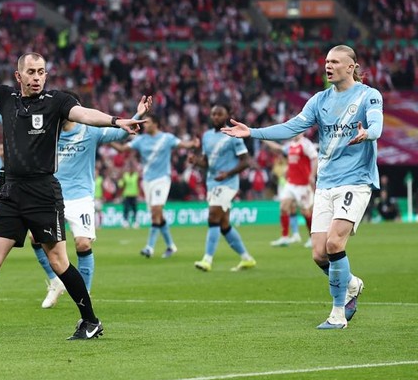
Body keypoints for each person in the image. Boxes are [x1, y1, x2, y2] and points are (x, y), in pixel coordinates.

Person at [0, 17, 145, 342]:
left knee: (59, 260)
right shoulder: (6, 98)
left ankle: (90, 321)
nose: (37, 77)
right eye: (31, 72)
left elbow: (86, 114)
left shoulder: (57, 102)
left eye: (41, 72)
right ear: (19, 76)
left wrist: (117, 121)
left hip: (42, 193)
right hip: (10, 192)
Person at [221, 44, 383, 329]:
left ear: (350, 66)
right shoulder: (319, 100)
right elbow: (291, 127)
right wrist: (253, 132)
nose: (328, 66)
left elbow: (377, 125)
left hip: (355, 181)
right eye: (326, 62)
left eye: (334, 62)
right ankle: (352, 283)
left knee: (335, 243)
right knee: (319, 254)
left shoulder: (369, 96)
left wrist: (368, 133)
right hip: (326, 183)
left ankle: (337, 313)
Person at [0, 84, 150, 308]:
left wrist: (137, 114)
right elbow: (8, 118)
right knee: (35, 239)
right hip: (50, 195)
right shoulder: (48, 129)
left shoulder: (90, 131)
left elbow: (119, 133)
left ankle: (85, 295)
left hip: (80, 196)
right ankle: (55, 282)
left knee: (83, 244)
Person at [113, 114, 200, 259]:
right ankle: (171, 246)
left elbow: (184, 145)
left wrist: (193, 143)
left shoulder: (167, 138)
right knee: (158, 215)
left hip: (162, 179)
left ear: (156, 124)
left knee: (156, 210)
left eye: (148, 123)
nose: (145, 125)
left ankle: (149, 247)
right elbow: (122, 149)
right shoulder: (141, 140)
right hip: (147, 181)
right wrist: (104, 141)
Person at [188, 102, 257, 273]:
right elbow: (206, 162)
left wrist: (228, 173)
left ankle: (207, 259)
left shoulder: (233, 135)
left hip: (228, 183)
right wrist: (196, 161)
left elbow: (246, 161)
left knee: (213, 217)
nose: (216, 117)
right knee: (224, 224)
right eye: (213, 114)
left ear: (227, 115)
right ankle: (247, 258)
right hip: (212, 182)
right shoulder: (206, 136)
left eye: (219, 114)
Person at [263, 133, 318, 247]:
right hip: (291, 183)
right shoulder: (291, 145)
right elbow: (278, 148)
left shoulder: (306, 144)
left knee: (306, 212)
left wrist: (312, 175)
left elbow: (315, 158)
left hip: (303, 185)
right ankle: (284, 237)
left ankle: (313, 238)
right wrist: (263, 138)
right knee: (284, 207)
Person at [117, 160, 141, 228]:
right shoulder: (125, 176)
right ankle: (125, 221)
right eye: (129, 168)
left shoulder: (136, 175)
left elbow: (138, 185)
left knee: (134, 209)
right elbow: (121, 185)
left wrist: (139, 194)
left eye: (132, 168)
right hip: (126, 195)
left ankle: (135, 222)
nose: (130, 170)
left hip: (134, 194)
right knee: (126, 209)